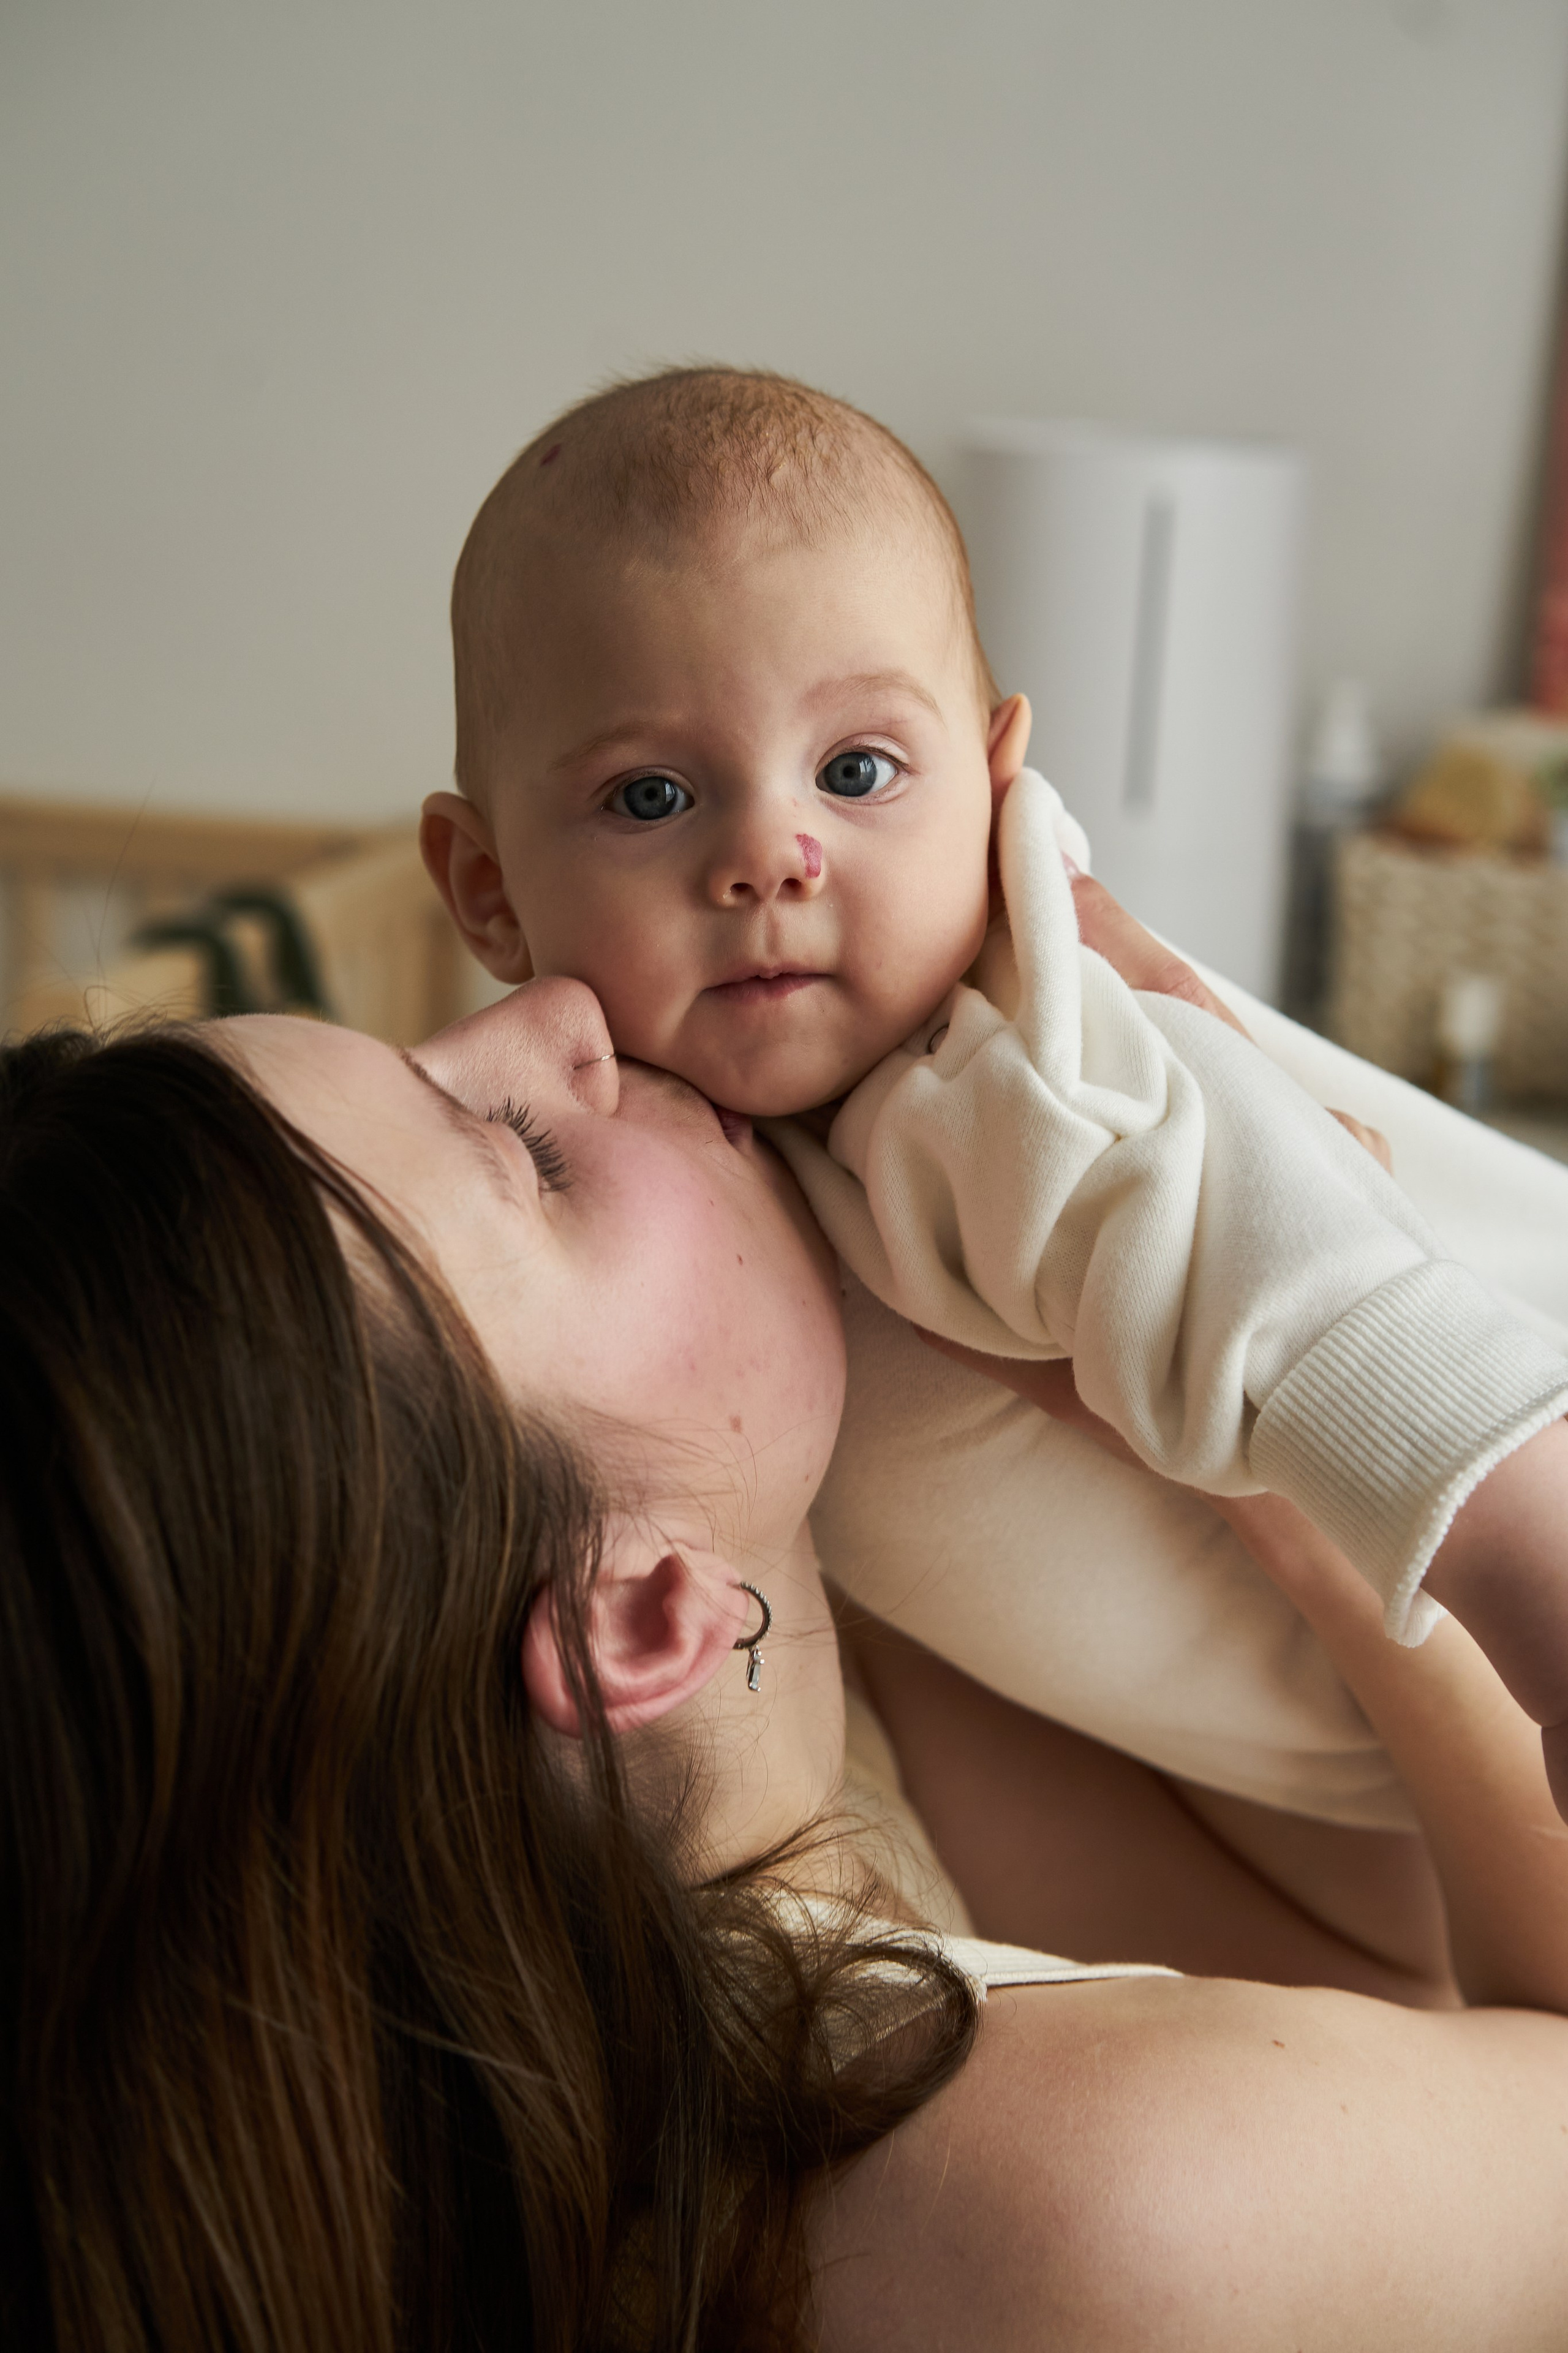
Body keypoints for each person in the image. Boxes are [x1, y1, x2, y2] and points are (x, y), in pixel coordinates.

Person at [9, 947, 1568, 2352]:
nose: (563, 1010)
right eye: (529, 1158)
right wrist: (1336, 1414)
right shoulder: (1055, 2206)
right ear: (636, 1620)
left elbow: (1360, 1987)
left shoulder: (675, 1927)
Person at [420, 363, 1568, 1832]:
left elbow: (1354, 1317)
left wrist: (1539, 1609)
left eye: (855, 769)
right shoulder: (663, 1185)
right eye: (651, 795)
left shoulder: (1001, 1082)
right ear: (485, 886)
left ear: (994, 785)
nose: (772, 855)